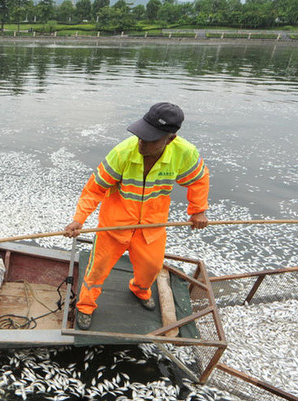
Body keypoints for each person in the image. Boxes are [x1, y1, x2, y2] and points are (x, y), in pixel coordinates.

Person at [64, 103, 209, 330]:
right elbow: (95, 189)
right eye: (141, 135)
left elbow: (199, 178)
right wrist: (78, 219)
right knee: (97, 269)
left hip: (152, 225)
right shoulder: (123, 153)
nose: (142, 142)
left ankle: (140, 290)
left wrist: (198, 210)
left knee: (151, 266)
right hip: (114, 226)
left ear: (170, 139)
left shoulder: (185, 153)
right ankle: (85, 306)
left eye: (150, 139)